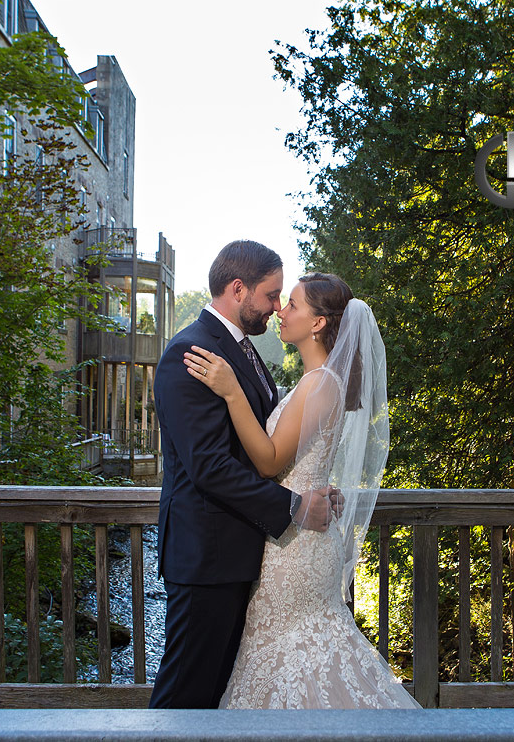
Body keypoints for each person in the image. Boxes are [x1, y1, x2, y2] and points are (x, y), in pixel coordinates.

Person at [183, 271, 421, 709]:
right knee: (286, 649)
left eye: (291, 303)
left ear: (317, 323)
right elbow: (301, 461)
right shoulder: (315, 382)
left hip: (298, 546)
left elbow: (271, 461)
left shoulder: (320, 383)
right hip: (294, 532)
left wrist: (233, 393)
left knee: (297, 648)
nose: (280, 310)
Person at [148, 241, 343, 709]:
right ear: (239, 290)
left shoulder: (242, 352)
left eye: (285, 300)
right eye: (272, 295)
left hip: (244, 554)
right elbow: (209, 467)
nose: (277, 308)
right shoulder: (189, 353)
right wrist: (294, 506)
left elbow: (271, 445)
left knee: (217, 697)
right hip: (206, 557)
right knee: (184, 697)